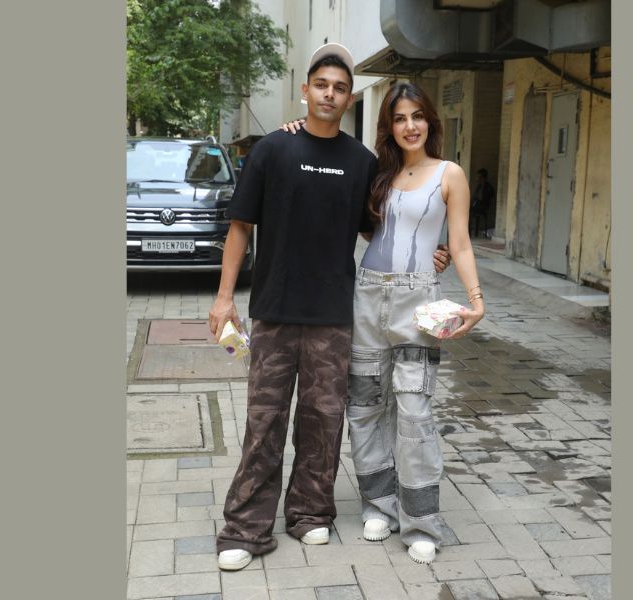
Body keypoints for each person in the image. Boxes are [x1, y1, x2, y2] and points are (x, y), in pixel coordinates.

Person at [207, 44, 449, 572]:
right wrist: (224, 298)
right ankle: (245, 528)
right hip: (273, 312)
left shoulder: (361, 162)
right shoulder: (273, 149)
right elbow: (240, 226)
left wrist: (430, 253)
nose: (330, 94)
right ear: (305, 90)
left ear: (349, 99)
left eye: (340, 88)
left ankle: (310, 511)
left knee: (323, 422)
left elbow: (378, 228)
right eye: (322, 85)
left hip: (335, 316)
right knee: (264, 423)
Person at [284, 82, 485, 564]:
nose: (410, 126)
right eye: (399, 118)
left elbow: (458, 243)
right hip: (368, 295)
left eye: (417, 116)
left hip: (418, 303)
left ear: (430, 121)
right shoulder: (378, 173)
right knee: (365, 406)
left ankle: (422, 521)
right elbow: (364, 225)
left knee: (414, 411)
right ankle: (379, 504)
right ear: (388, 127)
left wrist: (476, 300)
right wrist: (295, 129)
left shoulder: (450, 173)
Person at [470, 168, 495, 238]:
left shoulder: (488, 187)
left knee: (469, 211)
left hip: (483, 207)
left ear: (483, 178)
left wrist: (483, 186)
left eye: (479, 177)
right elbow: (474, 196)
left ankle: (468, 233)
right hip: (476, 206)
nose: (477, 179)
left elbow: (482, 198)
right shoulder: (479, 186)